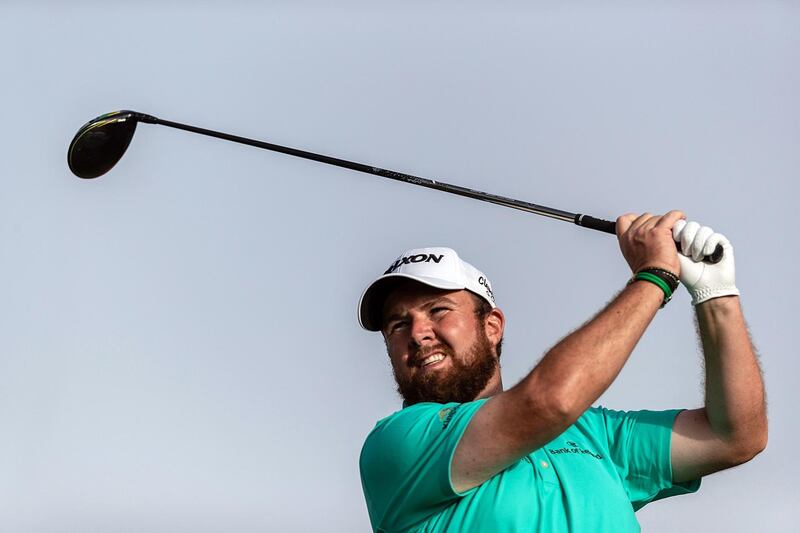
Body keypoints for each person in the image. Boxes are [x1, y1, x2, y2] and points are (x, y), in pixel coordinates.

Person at [357, 211, 767, 532]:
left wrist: (716, 296)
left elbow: (734, 436)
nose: (418, 333)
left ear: (492, 326)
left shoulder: (592, 434)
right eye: (397, 325)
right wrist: (654, 275)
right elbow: (548, 401)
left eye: (438, 311)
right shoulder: (397, 444)